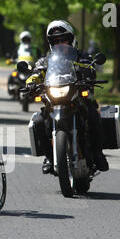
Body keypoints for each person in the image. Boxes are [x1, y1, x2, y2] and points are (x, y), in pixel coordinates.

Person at [29, 20, 109, 174]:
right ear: (51, 43)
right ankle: (50, 157)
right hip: (54, 99)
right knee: (38, 121)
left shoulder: (82, 56)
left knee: (92, 114)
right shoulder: (45, 60)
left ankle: (98, 153)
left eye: (63, 39)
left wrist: (88, 73)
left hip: (78, 97)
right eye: (56, 41)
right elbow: (36, 73)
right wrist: (31, 82)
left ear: (71, 39)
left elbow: (90, 67)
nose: (60, 43)